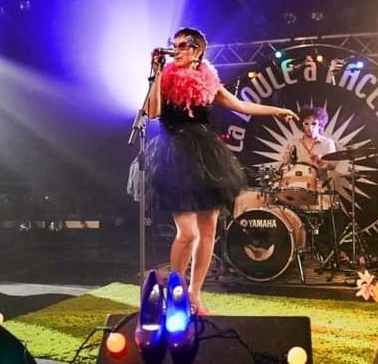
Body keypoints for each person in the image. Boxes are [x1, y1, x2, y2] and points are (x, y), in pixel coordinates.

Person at [145, 27, 298, 315]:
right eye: (174, 45)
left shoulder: (208, 79)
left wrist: (277, 111)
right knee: (187, 233)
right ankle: (176, 293)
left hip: (206, 156)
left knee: (208, 230)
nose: (176, 49)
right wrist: (156, 73)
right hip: (175, 154)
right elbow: (153, 113)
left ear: (197, 50)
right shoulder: (165, 77)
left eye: (183, 45)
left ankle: (195, 295)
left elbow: (241, 105)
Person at [281, 106, 338, 184]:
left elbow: (333, 166)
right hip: (296, 184)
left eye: (314, 123)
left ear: (320, 125)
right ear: (302, 125)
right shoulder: (293, 143)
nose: (310, 127)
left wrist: (320, 160)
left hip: (319, 185)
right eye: (306, 123)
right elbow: (285, 164)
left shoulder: (328, 143)